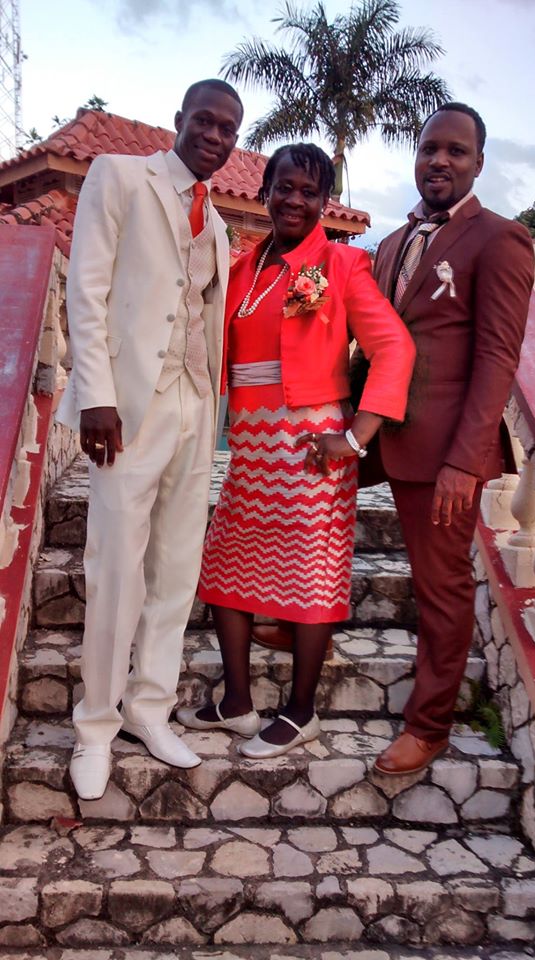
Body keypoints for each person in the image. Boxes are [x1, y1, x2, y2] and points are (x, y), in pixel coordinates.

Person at [177, 143, 416, 758]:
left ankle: (302, 711)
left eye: (310, 191)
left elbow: (394, 349)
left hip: (313, 445)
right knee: (224, 568)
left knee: (312, 576)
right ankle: (237, 702)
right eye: (284, 186)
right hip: (250, 444)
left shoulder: (341, 264)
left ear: (324, 201)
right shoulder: (242, 267)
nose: (295, 200)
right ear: (265, 192)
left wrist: (356, 437)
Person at [56, 79, 244, 799]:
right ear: (179, 121)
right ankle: (95, 726)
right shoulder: (120, 176)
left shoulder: (217, 222)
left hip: (196, 407)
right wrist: (96, 396)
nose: (216, 136)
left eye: (228, 128)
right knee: (115, 569)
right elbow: (86, 290)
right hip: (129, 409)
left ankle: (149, 708)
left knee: (175, 567)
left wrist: (214, 405)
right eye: (205, 121)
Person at [357, 102, 534, 775]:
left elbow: (497, 356)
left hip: (444, 450)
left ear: (478, 164)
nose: (439, 160)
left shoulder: (499, 238)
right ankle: (296, 618)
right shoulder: (392, 243)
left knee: (441, 586)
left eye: (455, 151)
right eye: (430, 148)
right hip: (377, 428)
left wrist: (465, 459)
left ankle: (428, 723)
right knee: (305, 503)